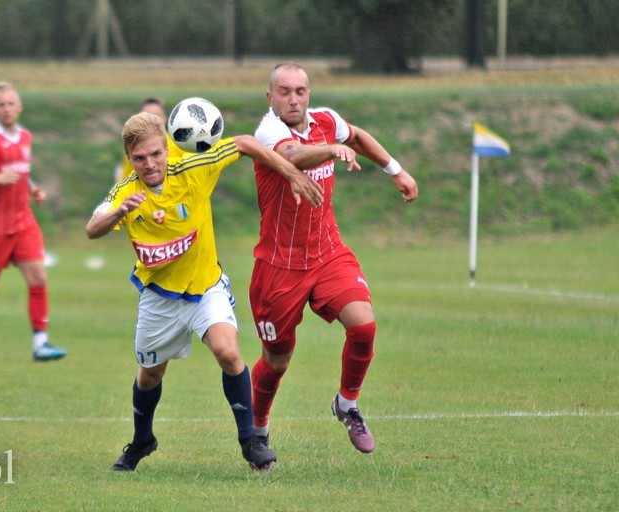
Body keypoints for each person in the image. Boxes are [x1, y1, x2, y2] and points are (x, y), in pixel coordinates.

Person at [86, 111, 323, 472]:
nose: (149, 164)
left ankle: (251, 442)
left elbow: (243, 143)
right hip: (159, 298)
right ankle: (142, 441)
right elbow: (92, 228)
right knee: (149, 376)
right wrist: (118, 213)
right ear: (129, 158)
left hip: (206, 287)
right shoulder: (126, 192)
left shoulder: (194, 169)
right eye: (139, 158)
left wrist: (289, 171)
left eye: (155, 154)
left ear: (167, 149)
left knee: (228, 353)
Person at [249, 62, 419, 454]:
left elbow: (356, 136)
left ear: (309, 93)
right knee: (276, 362)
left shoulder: (326, 119)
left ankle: (347, 404)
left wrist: (396, 170)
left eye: (301, 91)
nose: (294, 99)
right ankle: (258, 431)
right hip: (280, 265)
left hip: (327, 252)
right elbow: (294, 155)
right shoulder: (268, 131)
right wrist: (330, 149)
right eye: (285, 91)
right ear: (270, 96)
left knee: (364, 327)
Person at [0, 81, 67, 364]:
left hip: (22, 220)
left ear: (20, 107)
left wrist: (33, 189)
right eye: (1, 105)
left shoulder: (25, 137)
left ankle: (41, 343)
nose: (6, 109)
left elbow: (19, 171)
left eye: (11, 103)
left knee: (38, 277)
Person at [113, 97, 187, 183]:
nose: (152, 121)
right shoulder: (134, 149)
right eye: (147, 116)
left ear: (164, 118)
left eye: (156, 115)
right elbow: (124, 180)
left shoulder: (180, 144)